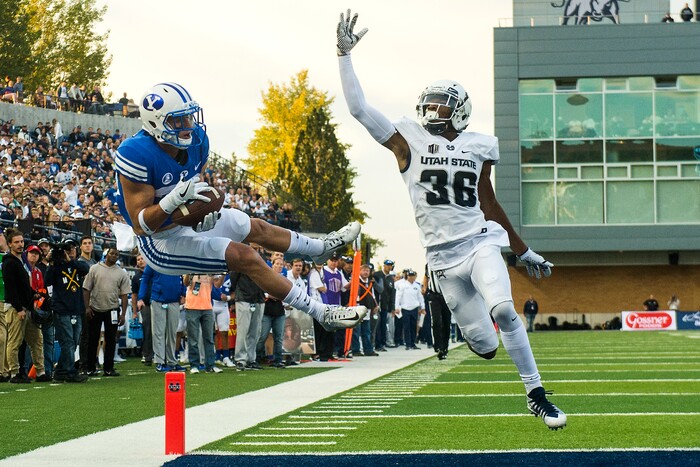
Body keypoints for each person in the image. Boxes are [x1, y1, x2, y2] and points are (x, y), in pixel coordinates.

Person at [336, 9, 565, 430]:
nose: (433, 110)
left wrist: (522, 249)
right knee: (484, 345)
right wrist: (343, 56)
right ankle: (454, 308)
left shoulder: (479, 145)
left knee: (505, 310)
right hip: (440, 260)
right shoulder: (409, 142)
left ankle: (536, 394)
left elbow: (489, 205)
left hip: (478, 243)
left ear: (460, 111)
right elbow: (359, 109)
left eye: (442, 105)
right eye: (430, 103)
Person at [114, 82, 366, 332]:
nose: (190, 124)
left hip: (180, 223)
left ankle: (319, 249)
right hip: (159, 241)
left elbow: (196, 192)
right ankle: (322, 313)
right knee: (246, 256)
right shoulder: (136, 153)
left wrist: (202, 215)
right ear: (157, 124)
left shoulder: (197, 141)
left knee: (254, 226)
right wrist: (172, 202)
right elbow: (141, 225)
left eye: (190, 116)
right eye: (179, 121)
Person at [2, 229, 45, 383]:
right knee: (14, 342)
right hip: (16, 308)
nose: (20, 245)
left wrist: (33, 293)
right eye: (16, 242)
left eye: (21, 241)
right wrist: (19, 308)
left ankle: (40, 372)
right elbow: (11, 288)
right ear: (9, 244)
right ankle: (14, 373)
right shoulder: (8, 263)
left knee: (36, 340)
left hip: (27, 307)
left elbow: (22, 286)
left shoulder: (21, 261)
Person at [45, 242, 90, 382]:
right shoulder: (55, 266)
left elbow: (86, 268)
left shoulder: (77, 264)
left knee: (74, 341)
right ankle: (70, 372)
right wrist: (51, 263)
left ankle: (60, 371)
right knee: (68, 342)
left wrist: (71, 261)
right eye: (67, 250)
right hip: (62, 309)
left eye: (73, 249)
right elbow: (47, 281)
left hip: (76, 308)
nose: (71, 251)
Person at [82, 247, 131, 377]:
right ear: (106, 255)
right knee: (93, 339)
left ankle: (109, 368)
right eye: (111, 253)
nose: (114, 256)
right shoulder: (94, 269)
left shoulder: (121, 273)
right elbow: (86, 289)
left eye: (116, 254)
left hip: (113, 309)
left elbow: (125, 295)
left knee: (111, 339)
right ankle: (90, 367)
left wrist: (123, 314)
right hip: (95, 308)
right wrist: (87, 307)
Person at [139, 264, 185, 372]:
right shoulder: (154, 261)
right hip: (158, 300)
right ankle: (160, 361)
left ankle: (172, 361)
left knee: (172, 332)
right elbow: (145, 279)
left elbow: (181, 278)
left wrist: (183, 293)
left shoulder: (176, 260)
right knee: (158, 332)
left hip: (174, 300)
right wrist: (141, 297)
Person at [182, 274, 220, 374]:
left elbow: (217, 285)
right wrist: (190, 274)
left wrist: (224, 274)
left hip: (207, 306)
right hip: (192, 306)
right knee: (193, 338)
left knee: (209, 338)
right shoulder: (191, 267)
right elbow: (185, 283)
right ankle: (194, 365)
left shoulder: (209, 268)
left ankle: (210, 365)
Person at [231, 263, 265, 372]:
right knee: (243, 330)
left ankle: (251, 359)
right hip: (244, 297)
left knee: (255, 332)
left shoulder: (262, 259)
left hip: (259, 298)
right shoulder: (242, 258)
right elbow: (233, 278)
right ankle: (241, 359)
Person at [424, 265, 451, 360]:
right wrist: (425, 287)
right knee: (436, 321)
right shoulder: (428, 264)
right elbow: (426, 276)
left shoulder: (448, 262)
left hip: (446, 295)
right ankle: (438, 346)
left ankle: (445, 347)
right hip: (434, 295)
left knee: (446, 322)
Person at [394, 269, 424, 350]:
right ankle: (408, 344)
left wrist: (423, 307)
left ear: (415, 277)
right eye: (409, 276)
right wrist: (397, 307)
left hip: (414, 308)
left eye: (412, 276)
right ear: (407, 277)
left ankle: (413, 343)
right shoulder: (402, 285)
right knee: (406, 327)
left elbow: (420, 297)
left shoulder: (417, 286)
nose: (411, 278)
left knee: (414, 326)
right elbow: (398, 297)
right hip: (405, 308)